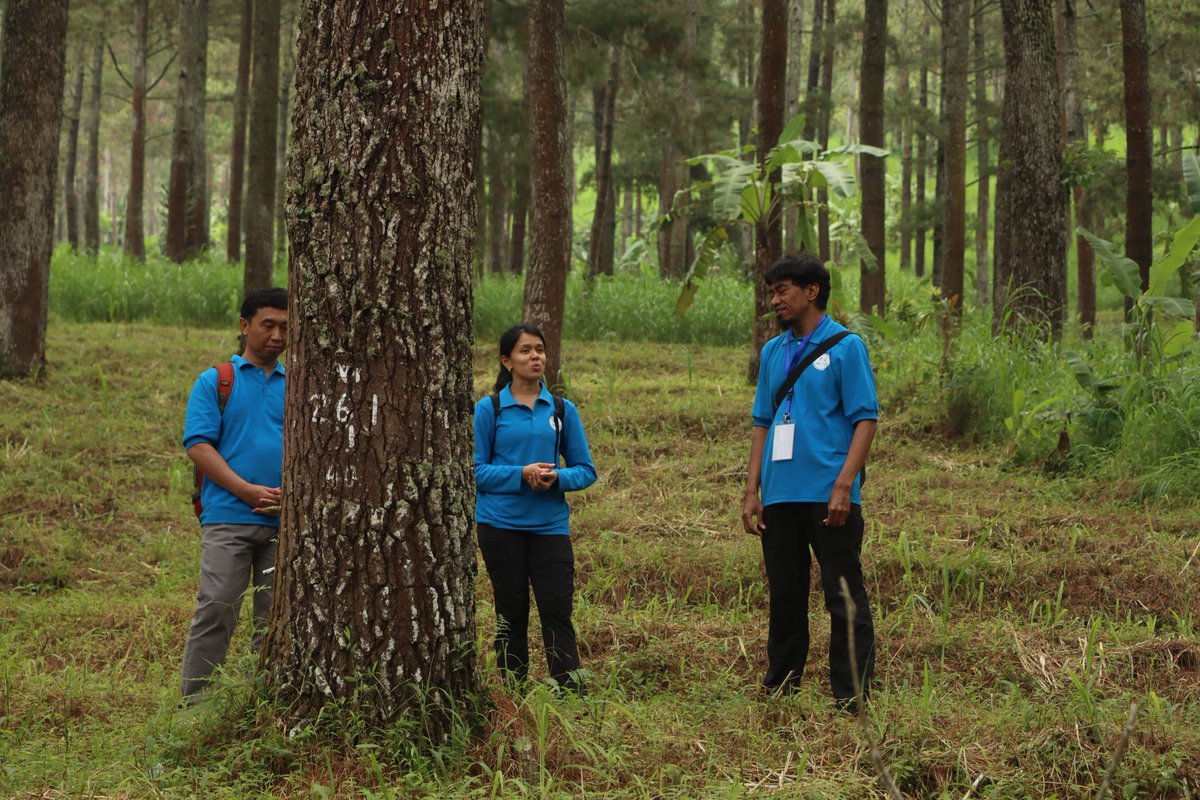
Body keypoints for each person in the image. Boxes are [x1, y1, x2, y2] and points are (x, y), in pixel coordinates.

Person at [741, 254, 879, 711]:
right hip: (780, 494)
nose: (774, 300)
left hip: (828, 495)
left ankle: (851, 696)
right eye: (772, 292)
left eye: (782, 290)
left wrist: (844, 486)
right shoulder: (772, 352)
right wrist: (752, 490)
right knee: (785, 596)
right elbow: (762, 422)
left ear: (812, 291)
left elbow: (865, 419)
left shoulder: (846, 347)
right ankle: (781, 689)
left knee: (843, 596)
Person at [474, 324, 597, 692]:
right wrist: (520, 474)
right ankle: (513, 691)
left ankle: (570, 692)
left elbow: (586, 470)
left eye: (540, 349)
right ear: (506, 361)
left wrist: (556, 477)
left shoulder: (561, 409)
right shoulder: (490, 409)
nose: (535, 357)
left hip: (550, 527)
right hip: (500, 526)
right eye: (525, 350)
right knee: (510, 611)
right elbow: (476, 471)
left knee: (557, 610)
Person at [180, 287, 288, 702]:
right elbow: (198, 445)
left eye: (285, 327)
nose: (277, 336)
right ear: (245, 325)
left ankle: (259, 703)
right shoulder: (216, 381)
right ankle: (195, 705)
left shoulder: (298, 385)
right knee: (217, 607)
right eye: (268, 325)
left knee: (275, 619)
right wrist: (245, 490)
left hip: (284, 523)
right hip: (228, 517)